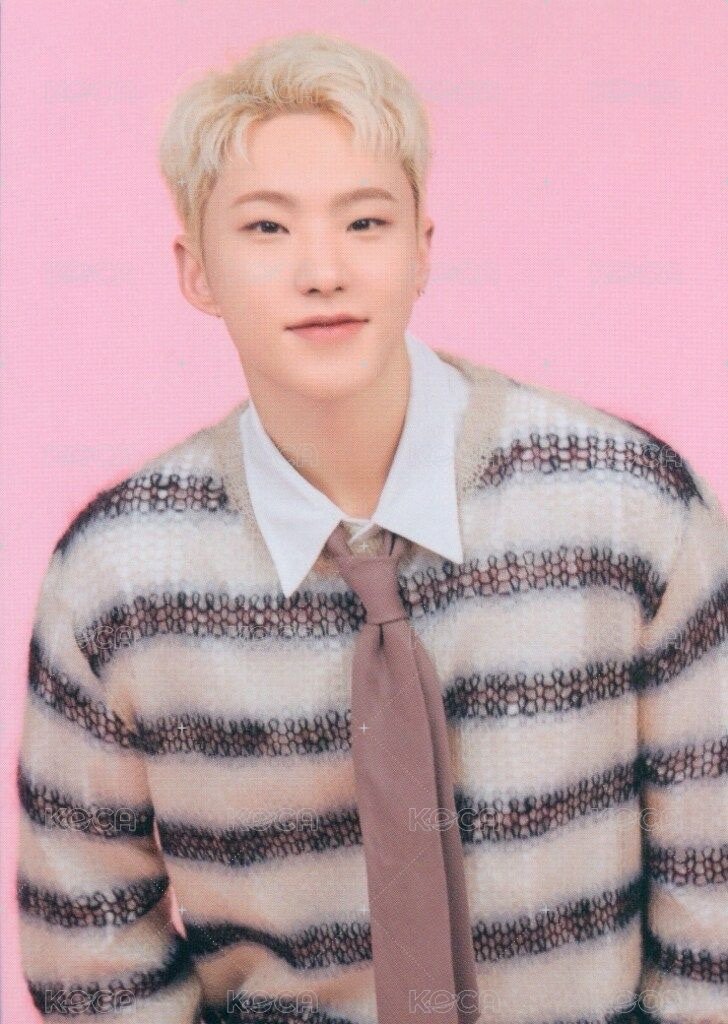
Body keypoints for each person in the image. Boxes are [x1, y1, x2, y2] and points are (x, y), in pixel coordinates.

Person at [15, 30, 727, 1024]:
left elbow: (713, 888)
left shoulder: (629, 509)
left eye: (365, 221)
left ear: (421, 250)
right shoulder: (115, 579)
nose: (323, 271)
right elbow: (87, 944)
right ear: (196, 270)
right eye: (267, 227)